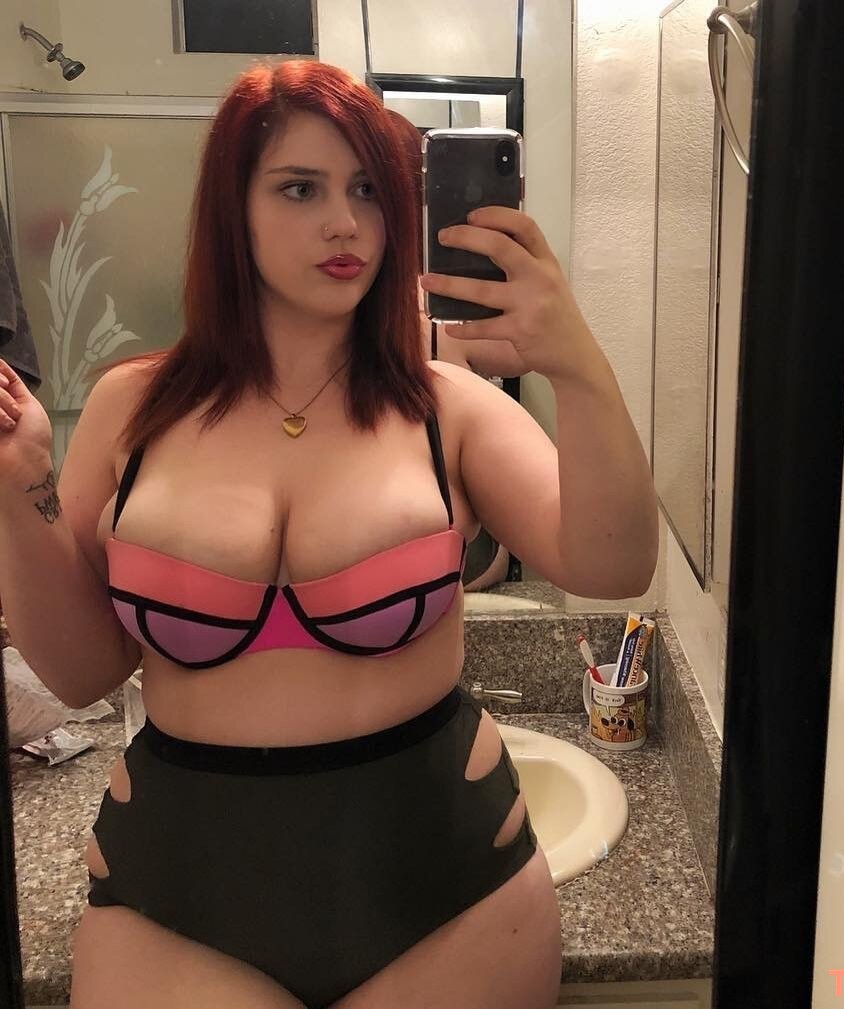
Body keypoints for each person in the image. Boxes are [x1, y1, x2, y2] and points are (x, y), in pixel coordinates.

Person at [0, 60, 658, 1009]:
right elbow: (78, 671)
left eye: (367, 192)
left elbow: (614, 561)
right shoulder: (129, 410)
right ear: (232, 208)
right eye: (299, 189)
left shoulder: (447, 408)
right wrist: (21, 483)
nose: (345, 223)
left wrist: (577, 364)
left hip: (449, 891)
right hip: (177, 894)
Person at [384, 108, 521, 591]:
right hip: (471, 562)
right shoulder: (434, 314)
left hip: (466, 564)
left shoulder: (435, 316)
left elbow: (523, 352)